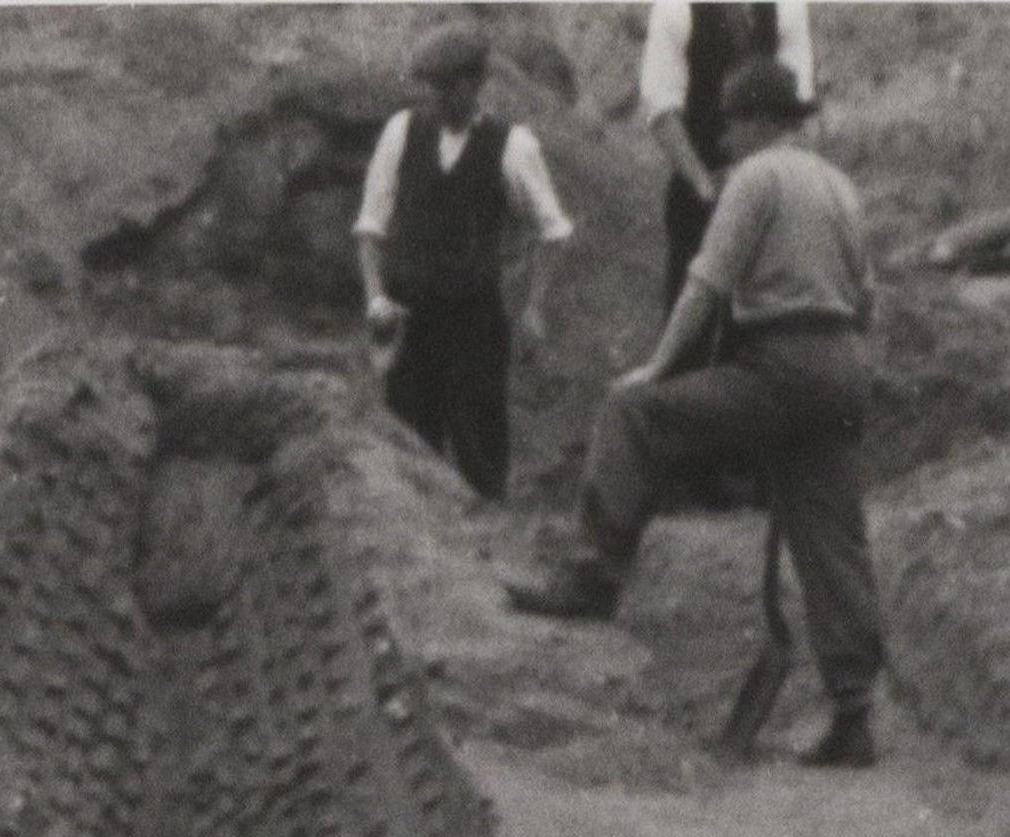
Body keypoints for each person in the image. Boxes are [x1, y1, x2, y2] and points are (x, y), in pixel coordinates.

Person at [507, 58, 885, 770]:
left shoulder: (756, 179)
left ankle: (591, 576)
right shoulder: (839, 185)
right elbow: (867, 300)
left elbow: (704, 285)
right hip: (842, 368)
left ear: (758, 122)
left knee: (634, 415)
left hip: (783, 360)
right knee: (832, 534)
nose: (726, 137)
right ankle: (854, 712)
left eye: (733, 123)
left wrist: (657, 368)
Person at [355, 26, 576, 503]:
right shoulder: (403, 131)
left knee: (480, 452)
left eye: (444, 87)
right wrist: (375, 296)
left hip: (472, 325)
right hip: (409, 321)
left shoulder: (513, 146)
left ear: (472, 84)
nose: (433, 99)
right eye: (428, 87)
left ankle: (489, 555)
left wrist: (535, 307)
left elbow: (553, 231)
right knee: (410, 453)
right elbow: (370, 228)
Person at [638, 0, 814, 315]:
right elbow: (661, 110)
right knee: (694, 316)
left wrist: (766, 182)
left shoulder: (788, 9)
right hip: (702, 191)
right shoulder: (675, 9)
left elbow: (798, 107)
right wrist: (704, 185)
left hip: (771, 192)